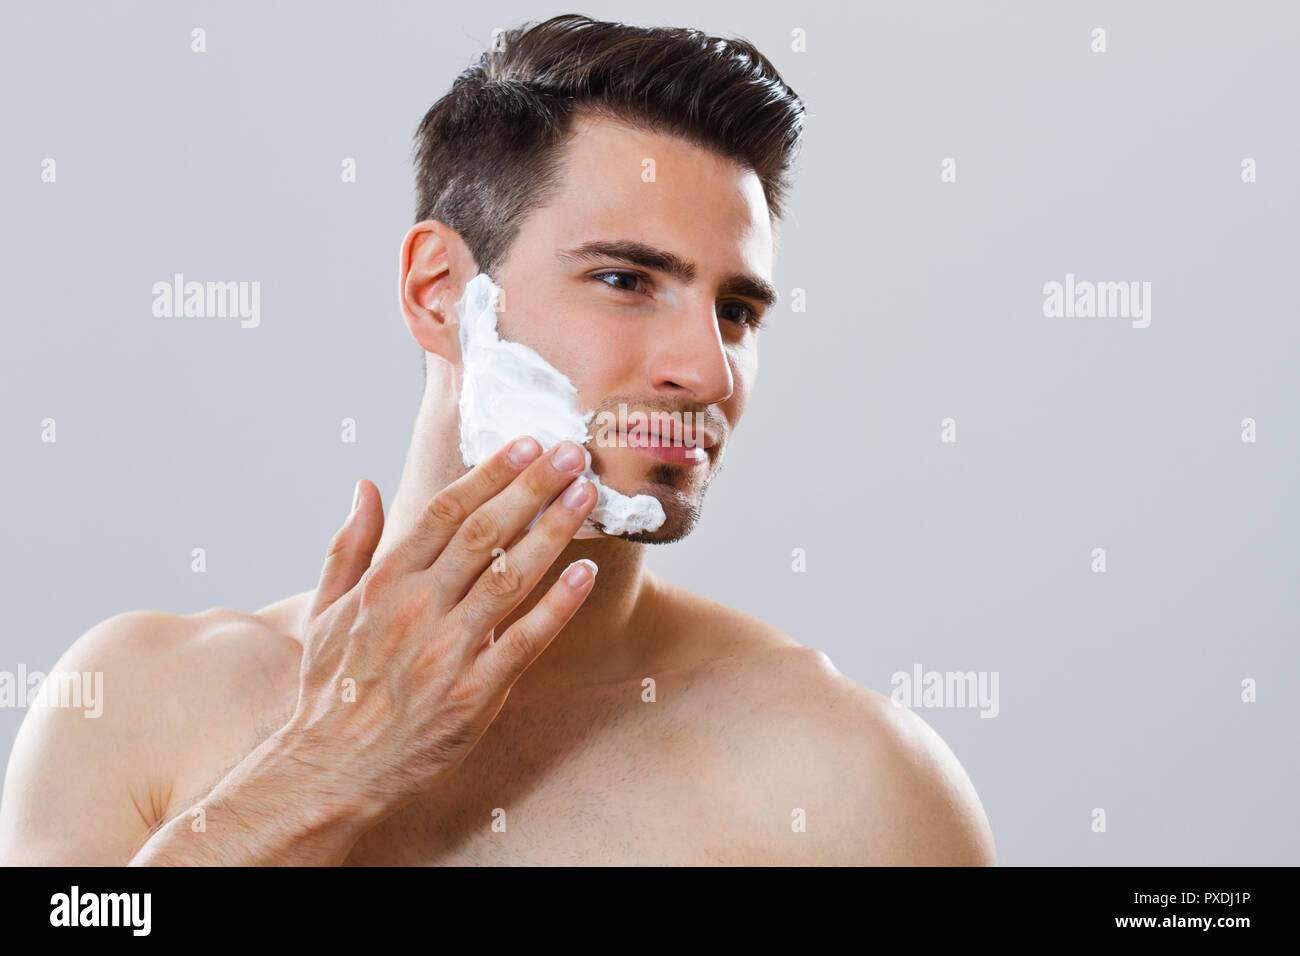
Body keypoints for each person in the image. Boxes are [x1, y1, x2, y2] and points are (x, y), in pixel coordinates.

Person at [0, 14, 996, 865]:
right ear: (440, 293)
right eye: (625, 280)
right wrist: (309, 779)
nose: (708, 370)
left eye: (735, 309)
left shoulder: (843, 772)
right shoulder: (136, 699)